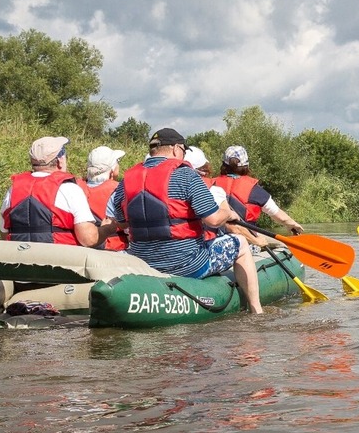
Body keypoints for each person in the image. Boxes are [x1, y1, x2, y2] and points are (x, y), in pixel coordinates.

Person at [106, 127, 263, 313]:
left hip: (144, 263)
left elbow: (122, 223)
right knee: (241, 243)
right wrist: (229, 214)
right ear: (175, 148)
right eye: (183, 150)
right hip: (188, 264)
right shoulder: (186, 175)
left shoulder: (127, 180)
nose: (183, 155)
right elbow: (213, 220)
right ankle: (256, 310)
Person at [2, 136, 99, 247]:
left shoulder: (12, 190)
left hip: (21, 259)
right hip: (59, 261)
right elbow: (88, 239)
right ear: (59, 161)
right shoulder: (70, 189)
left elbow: (4, 234)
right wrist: (107, 229)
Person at [186, 145, 278, 252]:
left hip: (184, 246)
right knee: (242, 242)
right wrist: (256, 241)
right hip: (212, 247)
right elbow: (232, 227)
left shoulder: (173, 189)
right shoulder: (214, 190)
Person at [212, 145, 304, 234]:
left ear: (224, 165)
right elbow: (279, 215)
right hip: (247, 240)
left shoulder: (211, 185)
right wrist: (292, 224)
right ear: (246, 166)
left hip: (214, 240)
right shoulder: (254, 190)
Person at [82, 145, 128, 250]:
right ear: (112, 171)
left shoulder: (76, 187)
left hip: (84, 246)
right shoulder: (120, 190)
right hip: (113, 248)